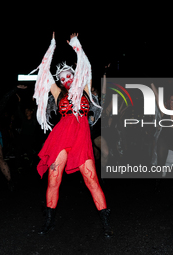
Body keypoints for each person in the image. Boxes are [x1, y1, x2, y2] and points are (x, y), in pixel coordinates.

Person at [31, 32, 113, 237]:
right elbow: (43, 71)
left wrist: (76, 45)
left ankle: (105, 223)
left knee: (91, 179)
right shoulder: (58, 94)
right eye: (62, 78)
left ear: (75, 75)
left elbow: (86, 65)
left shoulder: (84, 87)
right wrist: (51, 46)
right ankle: (48, 222)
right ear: (59, 81)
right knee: (53, 178)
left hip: (81, 137)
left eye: (69, 75)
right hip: (61, 137)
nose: (66, 79)